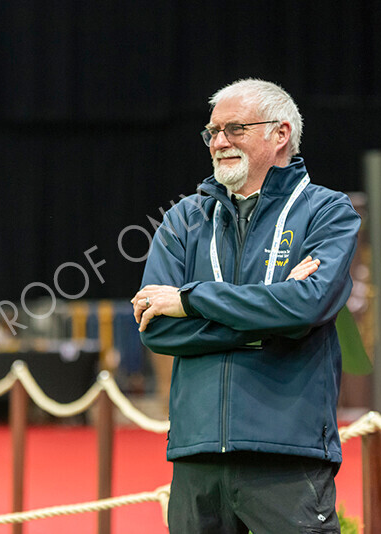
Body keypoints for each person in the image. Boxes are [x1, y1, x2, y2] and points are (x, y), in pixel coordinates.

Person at [131, 78, 360, 533]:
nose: (218, 142)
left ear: (280, 133)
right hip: (196, 456)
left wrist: (190, 300)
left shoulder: (328, 212)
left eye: (234, 129)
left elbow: (307, 306)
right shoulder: (183, 219)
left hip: (287, 454)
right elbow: (156, 326)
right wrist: (271, 319)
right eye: (212, 132)